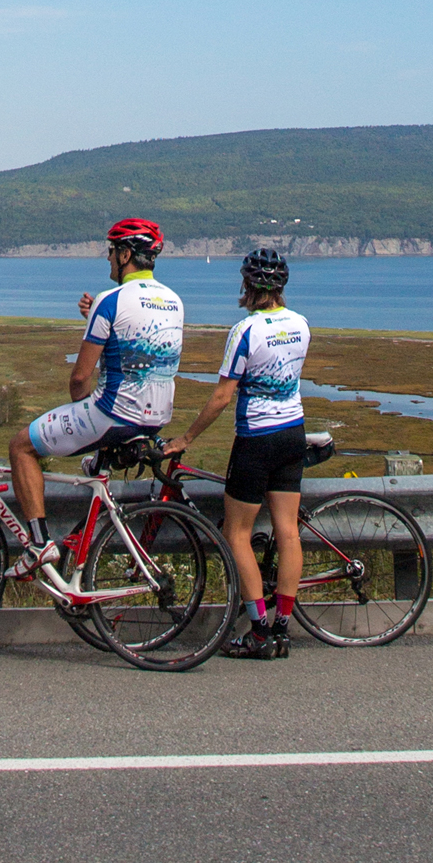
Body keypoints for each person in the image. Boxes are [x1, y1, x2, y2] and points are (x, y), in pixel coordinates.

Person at [5, 218, 184, 579]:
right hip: (155, 419)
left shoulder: (110, 300)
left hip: (112, 416)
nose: (107, 259)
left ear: (125, 254)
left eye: (111, 252)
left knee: (22, 446)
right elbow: (134, 339)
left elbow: (80, 377)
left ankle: (39, 544)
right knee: (92, 460)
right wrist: (95, 317)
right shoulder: (173, 300)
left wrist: (77, 410)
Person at [163, 247, 309, 660]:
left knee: (236, 534)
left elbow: (223, 396)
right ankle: (282, 627)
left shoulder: (245, 330)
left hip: (257, 438)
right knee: (287, 532)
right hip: (292, 433)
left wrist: (187, 437)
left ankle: (259, 630)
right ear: (281, 286)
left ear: (247, 285)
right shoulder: (301, 324)